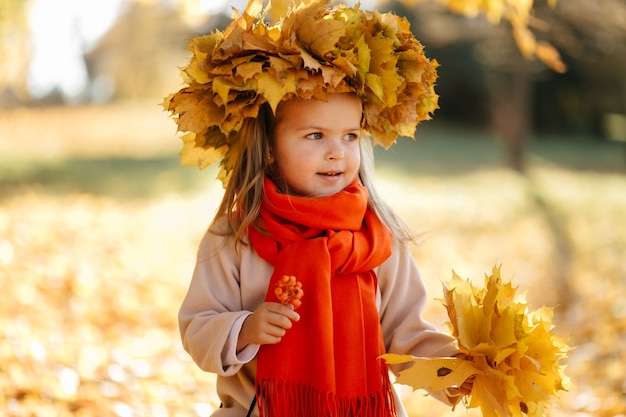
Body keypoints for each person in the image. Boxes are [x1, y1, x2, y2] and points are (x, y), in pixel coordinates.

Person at [164, 0, 471, 416]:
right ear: (270, 147)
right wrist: (244, 328)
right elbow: (198, 325)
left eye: (349, 136)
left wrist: (455, 374)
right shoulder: (235, 236)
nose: (336, 153)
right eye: (314, 136)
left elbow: (406, 332)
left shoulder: (376, 237)